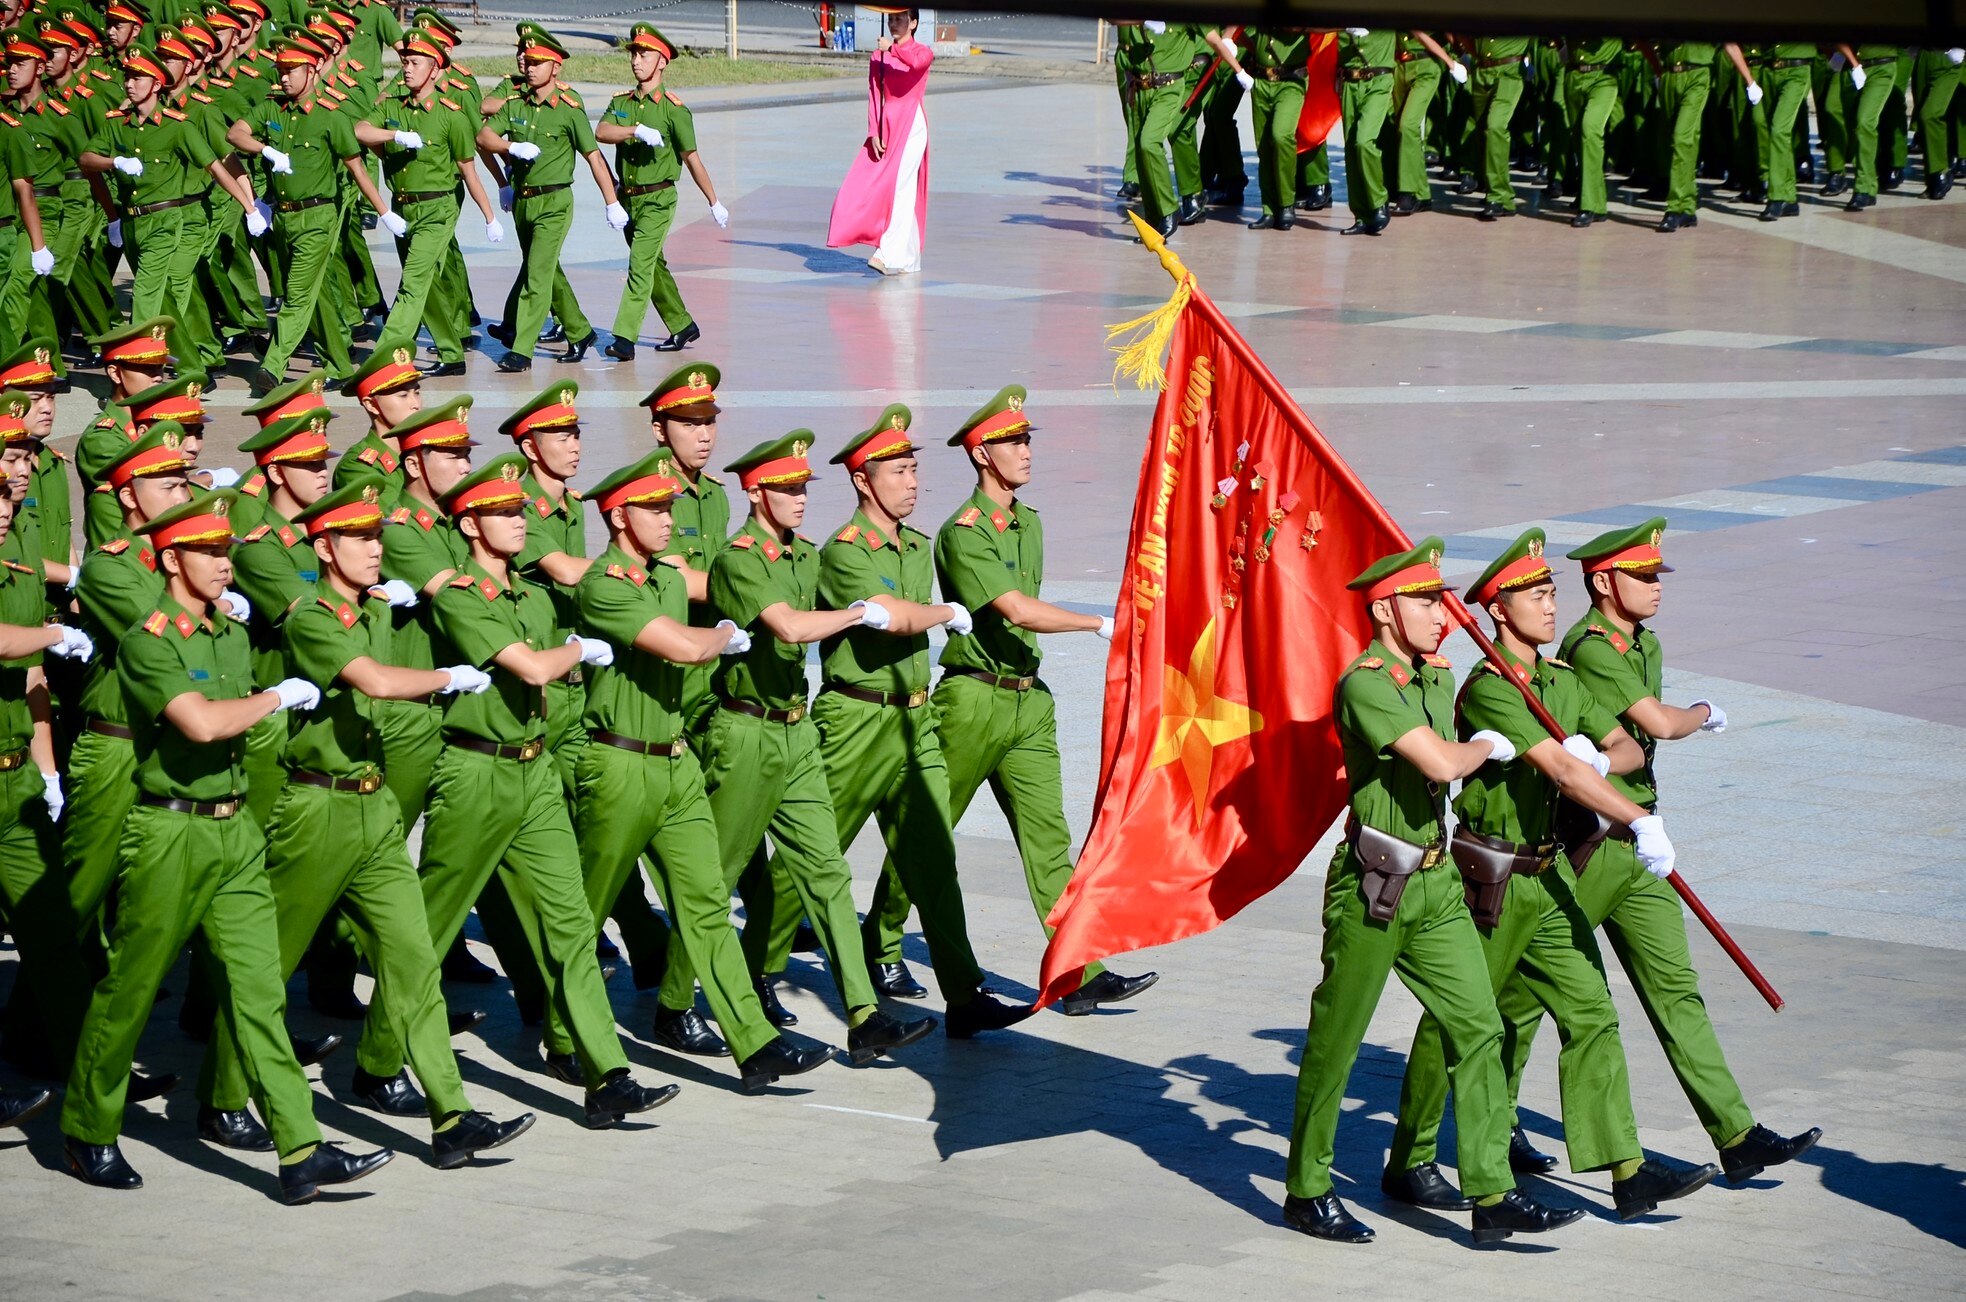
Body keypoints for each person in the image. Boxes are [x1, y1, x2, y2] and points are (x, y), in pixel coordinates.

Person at [60, 489, 394, 1203]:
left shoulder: (233, 636)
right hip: (169, 831)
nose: (221, 562)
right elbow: (202, 723)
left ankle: (300, 1149)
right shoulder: (149, 640)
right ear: (170, 559)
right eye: (206, 552)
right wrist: (277, 699)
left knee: (259, 991)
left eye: (223, 549)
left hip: (234, 828)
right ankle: (89, 1128)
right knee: (132, 989)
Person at [1383, 529, 1722, 1225]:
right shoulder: (1490, 688)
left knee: (1592, 1012)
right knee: (1455, 1023)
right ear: (1498, 610)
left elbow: (1627, 742)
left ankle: (1625, 1169)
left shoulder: (1559, 682)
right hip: (1493, 878)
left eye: (1550, 592)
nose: (1548, 605)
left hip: (1550, 874)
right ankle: (1411, 1158)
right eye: (1533, 595)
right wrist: (1632, 812)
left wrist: (1603, 761)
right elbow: (1560, 768)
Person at [196, 479, 534, 1168]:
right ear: (324, 547)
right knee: (271, 970)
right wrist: (448, 678)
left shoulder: (373, 609)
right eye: (362, 539)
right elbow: (375, 682)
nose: (377, 550)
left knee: (413, 960)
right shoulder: (311, 618)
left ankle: (452, 1116)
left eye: (380, 537)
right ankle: (224, 1097)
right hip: (315, 810)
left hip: (374, 806)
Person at [1483, 520, 1822, 1186]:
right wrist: (1702, 711)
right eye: (1641, 577)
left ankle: (1736, 1132)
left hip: (1638, 838)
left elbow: (1637, 744)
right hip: (1585, 843)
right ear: (1604, 582)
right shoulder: (1589, 649)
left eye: (1656, 576)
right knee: (1523, 998)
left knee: (1676, 990)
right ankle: (1493, 1122)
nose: (1655, 588)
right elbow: (1661, 723)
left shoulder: (1643, 643)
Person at [1282, 538, 1581, 1245]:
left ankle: (1491, 1191)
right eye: (1425, 602)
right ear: (1385, 609)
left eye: (1443, 601)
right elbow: (1443, 763)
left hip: (1438, 881)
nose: (1442, 616)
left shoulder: (1435, 676)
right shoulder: (1366, 684)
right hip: (1375, 887)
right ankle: (1307, 1188)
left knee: (1478, 1028)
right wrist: (1488, 746)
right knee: (1337, 1042)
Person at [862, 387, 1155, 1015]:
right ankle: (882, 940)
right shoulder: (962, 534)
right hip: (972, 702)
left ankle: (1076, 971)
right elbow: (1014, 608)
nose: (1025, 451)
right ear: (981, 455)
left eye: (1027, 439)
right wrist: (1100, 625)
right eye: (1013, 442)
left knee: (1050, 840)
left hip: (1028, 701)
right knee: (930, 833)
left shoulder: (1031, 523)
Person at [416, 453, 680, 1126]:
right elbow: (534, 667)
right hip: (474, 772)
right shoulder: (460, 597)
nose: (520, 519)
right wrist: (579, 650)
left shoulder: (530, 595)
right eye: (504, 513)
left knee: (571, 926)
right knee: (425, 932)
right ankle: (381, 1058)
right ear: (471, 524)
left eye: (519, 509)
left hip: (533, 771)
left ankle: (606, 1075)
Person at [569, 449, 840, 1092]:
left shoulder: (664, 577)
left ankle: (757, 1044)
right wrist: (725, 631)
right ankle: (570, 1039)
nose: (668, 520)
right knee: (581, 917)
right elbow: (687, 647)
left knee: (707, 906)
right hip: (617, 763)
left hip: (676, 761)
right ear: (616, 515)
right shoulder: (604, 584)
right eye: (652, 509)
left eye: (669, 507)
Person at [693, 431, 937, 1063]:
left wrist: (894, 611)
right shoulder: (740, 558)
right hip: (744, 731)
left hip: (797, 730)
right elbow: (794, 628)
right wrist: (861, 614)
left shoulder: (806, 556)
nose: (801, 499)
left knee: (828, 874)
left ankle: (862, 1015)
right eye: (787, 489)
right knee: (713, 882)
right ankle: (674, 1003)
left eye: (804, 488)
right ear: (755, 492)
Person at [804, 406, 1029, 1037]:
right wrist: (944, 612)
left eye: (912, 469)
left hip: (915, 721)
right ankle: (754, 970)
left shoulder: (918, 544)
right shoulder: (844, 551)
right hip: (855, 721)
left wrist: (934, 612)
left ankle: (964, 996)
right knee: (818, 857)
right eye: (898, 471)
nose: (911, 482)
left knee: (935, 862)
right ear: (862, 481)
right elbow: (890, 615)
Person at [79, 45, 267, 389]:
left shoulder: (179, 126)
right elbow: (86, 159)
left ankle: (136, 380)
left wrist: (249, 205)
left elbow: (217, 165)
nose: (129, 83)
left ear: (155, 84)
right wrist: (113, 167)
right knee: (168, 297)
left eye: (138, 77)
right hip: (133, 222)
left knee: (148, 299)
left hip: (172, 221)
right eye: (127, 76)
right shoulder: (116, 125)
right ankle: (195, 367)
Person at [231, 33, 399, 395]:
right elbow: (236, 133)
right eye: (281, 69)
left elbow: (357, 169)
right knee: (317, 292)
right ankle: (340, 363)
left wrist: (384, 212)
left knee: (296, 296)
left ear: (312, 70)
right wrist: (265, 150)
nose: (285, 76)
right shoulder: (272, 108)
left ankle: (273, 367)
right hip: (284, 218)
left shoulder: (330, 116)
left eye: (293, 70)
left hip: (318, 218)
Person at [354, 28, 500, 379]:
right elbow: (359, 130)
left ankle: (387, 358)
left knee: (412, 283)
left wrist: (489, 215)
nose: (406, 68)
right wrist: (393, 135)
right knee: (427, 286)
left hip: (438, 208)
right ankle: (452, 354)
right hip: (403, 209)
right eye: (405, 61)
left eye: (415, 62)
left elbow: (468, 171)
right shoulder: (392, 108)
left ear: (435, 69)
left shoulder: (451, 116)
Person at [478, 26, 625, 372]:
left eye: (538, 62)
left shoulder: (570, 108)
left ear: (556, 67)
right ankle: (580, 330)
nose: (529, 67)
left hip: (555, 203)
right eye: (527, 61)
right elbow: (483, 135)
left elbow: (592, 156)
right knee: (543, 269)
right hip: (524, 201)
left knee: (537, 277)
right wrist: (509, 147)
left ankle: (521, 350)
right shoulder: (516, 104)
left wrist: (611, 201)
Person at [595, 22, 723, 360]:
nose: (636, 60)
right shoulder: (622, 103)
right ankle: (681, 324)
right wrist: (634, 130)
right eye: (634, 53)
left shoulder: (674, 110)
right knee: (654, 266)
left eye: (644, 54)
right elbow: (602, 131)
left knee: (639, 265)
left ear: (662, 61)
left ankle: (624, 338)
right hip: (628, 199)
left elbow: (691, 159)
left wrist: (714, 200)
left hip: (658, 198)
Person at [827, 7, 933, 275]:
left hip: (912, 127)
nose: (894, 23)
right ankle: (908, 258)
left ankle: (885, 253)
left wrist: (893, 49)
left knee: (899, 188)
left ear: (913, 23)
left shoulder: (922, 52)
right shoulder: (878, 56)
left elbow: (916, 64)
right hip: (887, 126)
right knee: (870, 186)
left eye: (900, 19)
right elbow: (874, 95)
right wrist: (873, 131)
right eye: (892, 19)